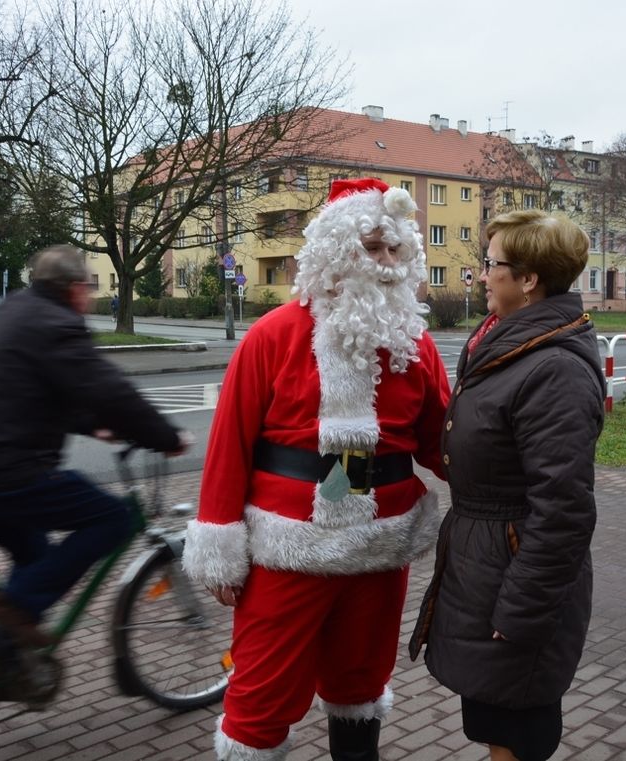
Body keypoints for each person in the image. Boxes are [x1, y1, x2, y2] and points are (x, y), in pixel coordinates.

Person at [182, 178, 451, 761]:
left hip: (379, 551)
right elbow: (229, 444)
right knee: (263, 696)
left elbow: (442, 443)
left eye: (395, 250)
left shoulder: (415, 345)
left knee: (360, 685)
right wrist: (219, 546)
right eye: (372, 246)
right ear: (335, 250)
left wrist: (505, 479)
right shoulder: (273, 336)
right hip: (288, 551)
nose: (385, 263)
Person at [409, 209, 605, 761]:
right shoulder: (504, 343)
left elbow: (563, 511)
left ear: (528, 280)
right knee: (497, 719)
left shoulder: (553, 371)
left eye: (490, 265)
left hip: (513, 578)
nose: (479, 276)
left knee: (518, 727)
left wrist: (521, 611)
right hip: (486, 564)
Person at [0, 245, 188, 648]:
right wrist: (167, 437)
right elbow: (108, 389)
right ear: (72, 289)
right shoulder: (56, 322)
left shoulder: (18, 310)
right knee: (113, 519)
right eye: (87, 287)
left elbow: (40, 393)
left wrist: (96, 427)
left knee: (37, 559)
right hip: (2, 469)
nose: (88, 297)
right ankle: (13, 608)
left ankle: (7, 657)